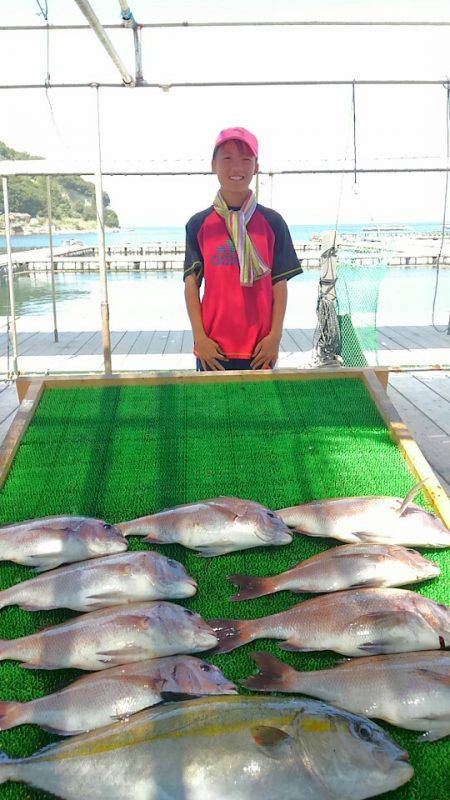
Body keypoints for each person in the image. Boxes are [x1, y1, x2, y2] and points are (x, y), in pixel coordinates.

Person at [184, 127, 303, 371]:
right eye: (227, 158)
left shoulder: (272, 222)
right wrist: (200, 339)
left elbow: (279, 285)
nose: (236, 167)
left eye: (245, 160)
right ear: (213, 165)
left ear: (256, 167)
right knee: (213, 410)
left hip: (260, 348)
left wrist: (275, 338)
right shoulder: (199, 224)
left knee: (259, 409)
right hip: (213, 349)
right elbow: (191, 284)